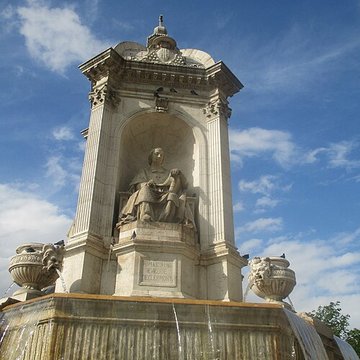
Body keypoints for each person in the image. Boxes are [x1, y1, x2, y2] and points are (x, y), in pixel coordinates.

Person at [117, 148, 195, 228]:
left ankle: (166, 218)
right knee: (144, 190)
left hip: (165, 194)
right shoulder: (144, 171)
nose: (159, 156)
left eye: (162, 155)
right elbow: (137, 185)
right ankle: (146, 214)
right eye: (157, 154)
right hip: (150, 192)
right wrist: (147, 184)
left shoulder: (168, 173)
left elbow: (184, 185)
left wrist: (179, 175)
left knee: (172, 196)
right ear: (151, 156)